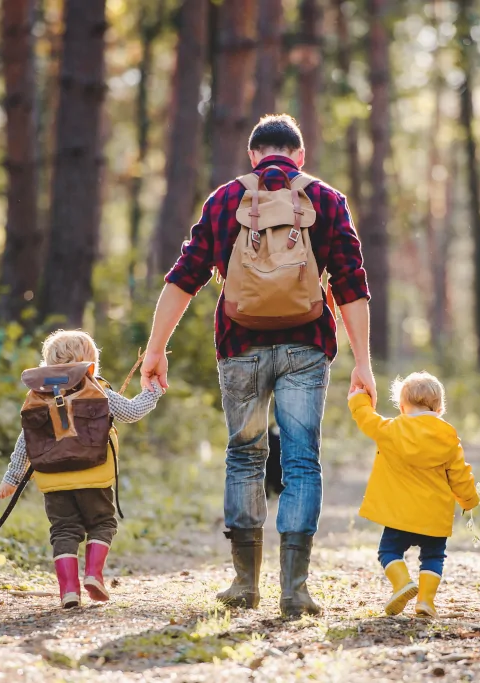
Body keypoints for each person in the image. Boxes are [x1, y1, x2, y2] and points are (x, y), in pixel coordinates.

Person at [140, 114, 375, 618]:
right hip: (307, 347)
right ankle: (295, 590)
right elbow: (351, 284)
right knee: (300, 461)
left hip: (240, 346)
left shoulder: (226, 199)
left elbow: (186, 276)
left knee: (245, 457)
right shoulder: (327, 200)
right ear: (300, 156)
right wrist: (365, 363)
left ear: (253, 156)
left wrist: (155, 349)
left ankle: (244, 585)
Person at [0, 330, 163, 609]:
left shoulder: (38, 396)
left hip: (53, 480)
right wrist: (154, 391)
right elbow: (133, 412)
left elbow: (26, 440)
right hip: (94, 475)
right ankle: (93, 574)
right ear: (90, 363)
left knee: (63, 530)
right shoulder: (97, 390)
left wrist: (11, 478)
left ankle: (69, 592)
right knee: (102, 523)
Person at [348, 371, 479, 617]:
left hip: (400, 515)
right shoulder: (448, 436)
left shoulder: (392, 429)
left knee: (388, 551)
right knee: (433, 556)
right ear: (440, 408)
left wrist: (358, 398)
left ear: (402, 406)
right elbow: (460, 474)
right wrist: (469, 500)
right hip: (434, 515)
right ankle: (426, 602)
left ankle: (402, 584)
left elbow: (367, 419)